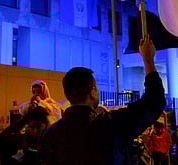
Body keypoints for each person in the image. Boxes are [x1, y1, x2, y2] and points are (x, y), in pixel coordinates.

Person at [37, 35, 166, 165]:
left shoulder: (50, 134)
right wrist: (148, 60)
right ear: (92, 91)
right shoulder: (110, 125)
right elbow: (155, 101)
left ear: (67, 94)